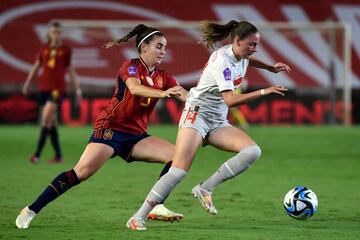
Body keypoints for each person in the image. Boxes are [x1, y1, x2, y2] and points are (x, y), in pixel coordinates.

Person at [15, 24, 188, 229]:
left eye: (165, 47)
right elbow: (135, 88)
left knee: (177, 157)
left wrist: (200, 101)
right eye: (159, 46)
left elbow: (184, 94)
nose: (163, 51)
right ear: (143, 48)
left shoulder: (164, 77)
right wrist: (163, 93)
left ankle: (157, 205)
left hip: (136, 136)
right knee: (81, 173)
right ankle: (30, 210)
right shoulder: (130, 66)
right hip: (111, 130)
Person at [126, 20, 291, 230]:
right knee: (178, 171)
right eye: (251, 45)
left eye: (256, 45)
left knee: (252, 151)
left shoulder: (241, 55)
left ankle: (205, 189)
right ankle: (137, 217)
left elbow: (249, 60)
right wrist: (264, 91)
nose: (254, 49)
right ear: (237, 41)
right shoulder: (222, 60)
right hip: (197, 114)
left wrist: (269, 67)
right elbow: (230, 100)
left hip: (217, 121)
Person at [22, 21, 82, 163]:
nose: (56, 34)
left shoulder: (66, 50)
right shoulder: (44, 49)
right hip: (43, 88)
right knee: (52, 123)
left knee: (45, 121)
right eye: (54, 32)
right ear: (49, 33)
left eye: (59, 32)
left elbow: (70, 70)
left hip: (57, 90)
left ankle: (36, 155)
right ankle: (58, 156)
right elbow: (36, 67)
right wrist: (27, 83)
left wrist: (77, 89)